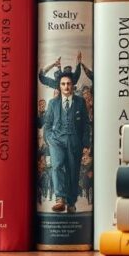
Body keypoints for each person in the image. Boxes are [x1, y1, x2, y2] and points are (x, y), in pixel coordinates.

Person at [42, 71, 90, 213]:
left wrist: (85, 144)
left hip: (74, 140)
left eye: (68, 84)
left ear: (72, 85)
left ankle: (71, 202)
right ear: (60, 86)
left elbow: (86, 125)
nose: (66, 86)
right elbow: (47, 124)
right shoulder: (52, 103)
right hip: (56, 140)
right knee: (56, 166)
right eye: (63, 84)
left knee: (73, 171)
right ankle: (60, 199)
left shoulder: (80, 102)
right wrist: (49, 139)